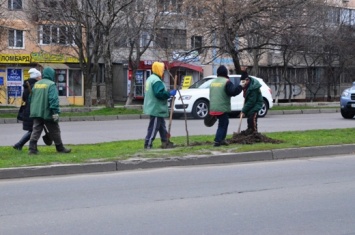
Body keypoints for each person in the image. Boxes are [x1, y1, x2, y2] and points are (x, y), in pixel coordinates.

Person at [28, 66, 71, 155]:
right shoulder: (51, 84)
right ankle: (60, 148)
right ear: (52, 74)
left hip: (36, 111)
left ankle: (32, 149)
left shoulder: (37, 84)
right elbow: (53, 99)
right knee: (55, 130)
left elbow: (30, 98)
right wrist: (55, 112)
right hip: (48, 112)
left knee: (36, 129)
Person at [143, 61, 176, 149]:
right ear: (158, 69)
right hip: (156, 107)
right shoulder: (156, 81)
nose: (163, 71)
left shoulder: (150, 78)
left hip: (153, 106)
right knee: (154, 126)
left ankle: (165, 141)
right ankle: (148, 144)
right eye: (162, 69)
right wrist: (169, 94)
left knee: (161, 126)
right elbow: (159, 94)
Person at [209, 65, 244, 147]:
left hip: (213, 107)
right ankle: (218, 141)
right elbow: (233, 92)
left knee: (225, 122)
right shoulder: (226, 82)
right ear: (225, 73)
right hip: (222, 107)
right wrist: (240, 86)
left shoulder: (213, 82)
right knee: (222, 124)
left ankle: (222, 140)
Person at [13, 68, 42, 150]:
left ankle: (22, 145)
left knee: (33, 130)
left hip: (27, 110)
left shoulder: (27, 85)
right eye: (40, 77)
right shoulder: (35, 86)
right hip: (32, 110)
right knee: (34, 130)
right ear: (37, 77)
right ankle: (20, 145)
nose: (41, 78)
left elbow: (24, 99)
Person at [240, 69, 264, 135]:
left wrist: (243, 110)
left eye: (243, 81)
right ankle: (249, 130)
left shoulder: (253, 88)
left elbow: (251, 101)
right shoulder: (246, 86)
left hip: (256, 103)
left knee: (252, 118)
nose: (242, 83)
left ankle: (254, 133)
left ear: (247, 80)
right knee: (249, 118)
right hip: (251, 104)